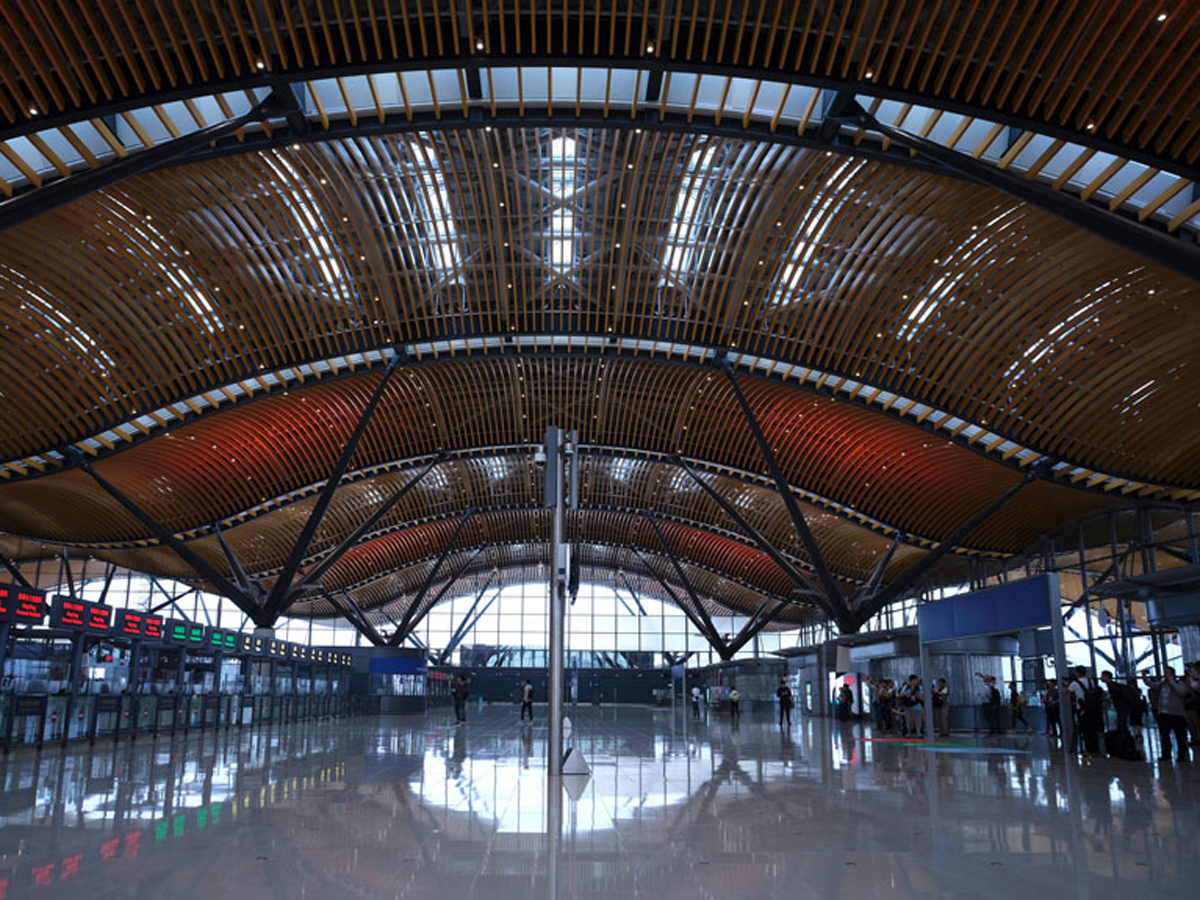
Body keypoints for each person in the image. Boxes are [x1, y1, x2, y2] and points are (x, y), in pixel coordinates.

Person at [1146, 666, 1190, 762]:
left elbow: (1182, 692)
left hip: (1176, 714)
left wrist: (1171, 682)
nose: (1165, 674)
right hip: (1163, 713)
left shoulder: (1179, 683)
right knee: (1164, 735)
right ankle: (1166, 754)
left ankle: (1182, 754)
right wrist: (1145, 676)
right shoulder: (1162, 684)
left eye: (1167, 673)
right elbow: (1151, 684)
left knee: (1180, 736)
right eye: (1165, 673)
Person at [1068, 666, 1103, 757]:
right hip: (1091, 708)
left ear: (1077, 673)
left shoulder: (1074, 683)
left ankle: (1088, 750)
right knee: (1093, 729)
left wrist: (1067, 684)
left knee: (1085, 730)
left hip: (1082, 708)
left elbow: (1066, 692)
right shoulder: (1090, 681)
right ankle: (1095, 749)